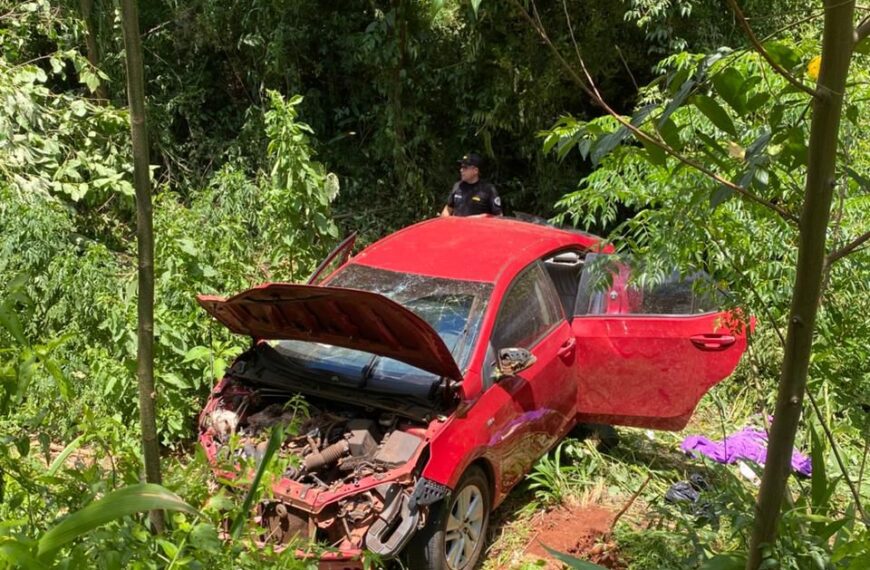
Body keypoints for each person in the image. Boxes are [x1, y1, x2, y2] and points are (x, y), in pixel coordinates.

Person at [441, 153, 503, 217]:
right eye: (461, 167)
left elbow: (498, 216)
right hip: (458, 226)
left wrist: (482, 217)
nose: (461, 170)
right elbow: (448, 209)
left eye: (465, 167)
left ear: (475, 170)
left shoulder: (488, 189)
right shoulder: (458, 186)